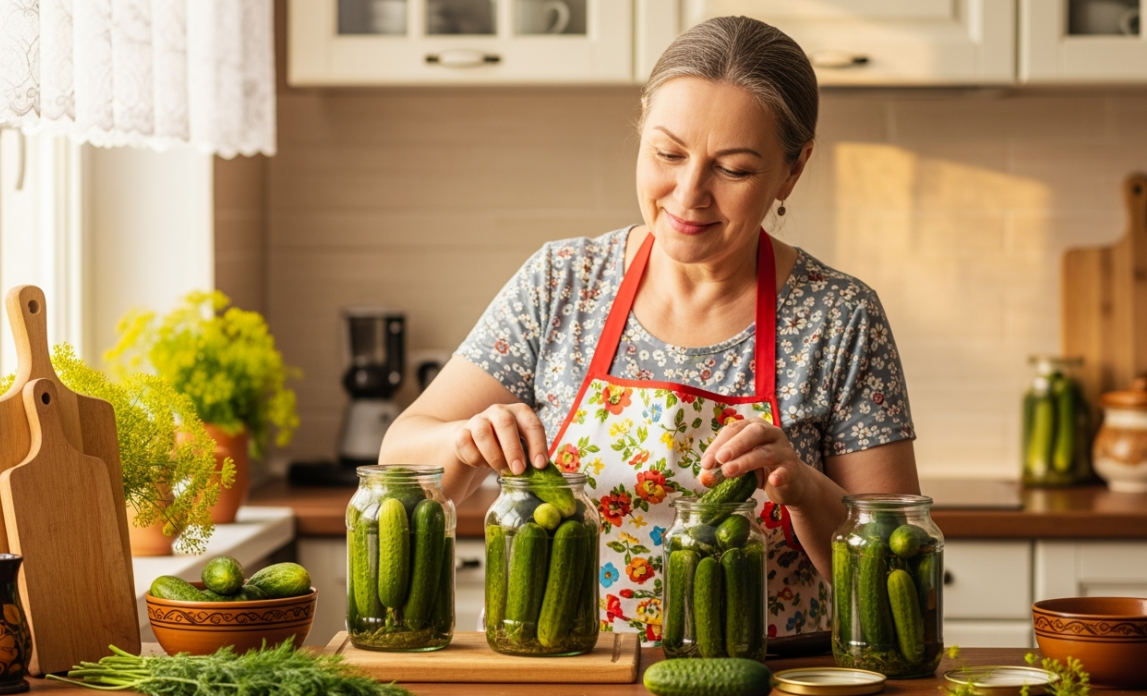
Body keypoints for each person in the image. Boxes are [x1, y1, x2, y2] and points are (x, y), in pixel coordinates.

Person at [382, 15, 920, 648]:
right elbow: (401, 456)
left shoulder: (840, 318)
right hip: (562, 675)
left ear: (791, 171)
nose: (688, 194)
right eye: (667, 154)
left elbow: (896, 567)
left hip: (765, 678)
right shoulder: (563, 282)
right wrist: (464, 441)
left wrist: (803, 488)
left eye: (735, 170)